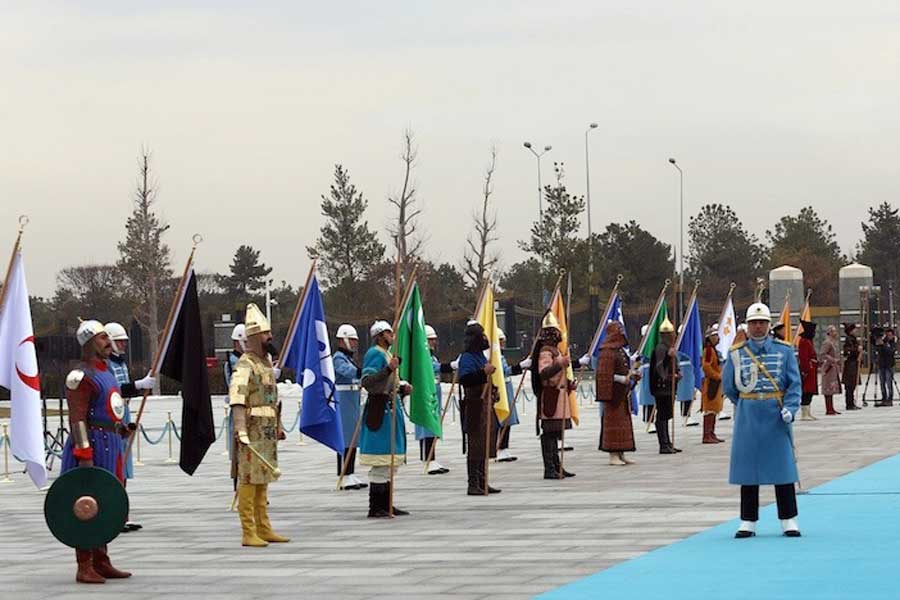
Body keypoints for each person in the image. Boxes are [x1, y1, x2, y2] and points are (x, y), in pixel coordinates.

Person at [60, 320, 154, 583]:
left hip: (111, 443)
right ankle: (84, 564)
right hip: (91, 443)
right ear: (90, 343)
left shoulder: (107, 372)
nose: (107, 342)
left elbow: (108, 409)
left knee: (108, 501)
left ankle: (102, 560)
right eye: (102, 338)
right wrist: (84, 452)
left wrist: (122, 429)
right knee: (87, 502)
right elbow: (77, 419)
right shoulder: (80, 376)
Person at [724, 302, 802, 539]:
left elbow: (793, 383)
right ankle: (748, 520)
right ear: (747, 326)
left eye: (762, 323)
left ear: (769, 325)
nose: (758, 327)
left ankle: (788, 518)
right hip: (748, 416)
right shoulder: (736, 353)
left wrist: (790, 408)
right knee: (748, 469)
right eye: (754, 323)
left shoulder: (785, 350)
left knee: (783, 468)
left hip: (775, 415)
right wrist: (747, 403)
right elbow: (729, 387)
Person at [229, 303, 290, 547]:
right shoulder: (245, 365)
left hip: (266, 429)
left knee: (263, 478)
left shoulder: (265, 364)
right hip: (252, 428)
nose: (270, 337)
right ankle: (248, 530)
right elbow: (237, 398)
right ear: (254, 337)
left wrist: (279, 425)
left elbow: (273, 399)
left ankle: (264, 527)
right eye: (265, 334)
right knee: (249, 479)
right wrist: (240, 429)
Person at [359, 320, 412, 517]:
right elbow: (368, 382)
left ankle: (387, 503)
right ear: (380, 335)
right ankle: (376, 506)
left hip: (391, 409)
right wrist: (389, 369)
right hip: (379, 411)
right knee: (381, 459)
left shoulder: (387, 354)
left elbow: (390, 384)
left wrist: (402, 388)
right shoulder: (375, 354)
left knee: (390, 460)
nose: (392, 336)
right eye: (389, 333)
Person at [103, 322, 144, 533]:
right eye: (119, 341)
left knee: (124, 469)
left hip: (124, 412)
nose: (123, 345)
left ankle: (123, 514)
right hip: (113, 417)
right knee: (116, 467)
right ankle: (114, 514)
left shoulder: (121, 363)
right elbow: (114, 390)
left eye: (124, 341)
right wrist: (137, 385)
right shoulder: (107, 364)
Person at [458, 321, 501, 494]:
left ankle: (483, 480)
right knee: (475, 445)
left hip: (485, 405)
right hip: (474, 404)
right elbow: (466, 379)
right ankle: (473, 483)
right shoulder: (467, 358)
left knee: (484, 444)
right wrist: (484, 372)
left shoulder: (480, 356)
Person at [532, 312, 576, 479]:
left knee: (556, 432)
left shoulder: (555, 350)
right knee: (549, 433)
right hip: (551, 396)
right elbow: (544, 373)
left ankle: (557, 466)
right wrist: (560, 363)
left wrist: (569, 383)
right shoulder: (546, 351)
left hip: (560, 395)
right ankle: (550, 468)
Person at [596, 322, 638, 465]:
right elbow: (604, 375)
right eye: (618, 330)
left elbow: (624, 369)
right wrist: (621, 379)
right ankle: (613, 454)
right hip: (612, 394)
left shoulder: (620, 350)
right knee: (613, 424)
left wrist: (633, 376)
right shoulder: (606, 351)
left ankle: (621, 453)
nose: (621, 333)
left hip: (622, 394)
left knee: (623, 425)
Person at [333, 324, 367, 490]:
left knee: (353, 438)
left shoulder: (349, 358)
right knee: (345, 438)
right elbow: (347, 372)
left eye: (355, 341)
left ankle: (350, 472)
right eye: (352, 340)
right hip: (343, 400)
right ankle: (343, 473)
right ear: (343, 340)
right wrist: (366, 372)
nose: (354, 344)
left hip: (351, 400)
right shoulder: (338, 358)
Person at [417, 324, 453, 474]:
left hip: (433, 393)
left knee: (432, 426)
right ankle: (428, 459)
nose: (434, 343)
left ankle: (431, 458)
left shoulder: (431, 355)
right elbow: (433, 367)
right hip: (426, 394)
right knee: (427, 427)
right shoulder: (422, 355)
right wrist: (450, 365)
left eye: (434, 340)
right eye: (431, 340)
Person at [649, 317, 681, 454]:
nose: (674, 336)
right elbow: (659, 368)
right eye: (672, 334)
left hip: (669, 387)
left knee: (667, 415)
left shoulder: (669, 348)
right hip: (662, 387)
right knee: (662, 416)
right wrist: (670, 376)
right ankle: (663, 444)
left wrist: (677, 374)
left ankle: (668, 442)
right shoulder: (661, 349)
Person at [497, 328, 529, 462]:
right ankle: (499, 448)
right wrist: (520, 366)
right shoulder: (494, 356)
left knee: (508, 420)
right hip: (500, 390)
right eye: (500, 341)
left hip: (507, 388)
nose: (502, 344)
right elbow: (504, 371)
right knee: (502, 420)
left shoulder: (500, 356)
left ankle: (504, 448)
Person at [701, 325, 725, 443]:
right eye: (715, 336)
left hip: (715, 382)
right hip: (711, 382)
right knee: (710, 409)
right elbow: (706, 366)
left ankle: (711, 433)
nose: (717, 338)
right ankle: (706, 435)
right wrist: (716, 376)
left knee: (714, 409)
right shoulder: (709, 350)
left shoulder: (713, 350)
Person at [819, 325, 842, 415]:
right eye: (834, 331)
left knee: (831, 389)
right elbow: (822, 354)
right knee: (828, 389)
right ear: (829, 332)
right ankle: (828, 409)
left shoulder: (833, 342)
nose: (835, 333)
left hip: (833, 368)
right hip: (828, 368)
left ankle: (831, 407)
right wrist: (833, 360)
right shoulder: (827, 343)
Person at [797, 320, 818, 420]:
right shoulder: (804, 341)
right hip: (807, 370)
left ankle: (808, 412)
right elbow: (803, 357)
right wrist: (805, 370)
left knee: (810, 392)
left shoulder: (809, 340)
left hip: (812, 369)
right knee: (806, 391)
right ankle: (804, 414)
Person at [842, 323, 861, 410]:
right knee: (850, 385)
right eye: (854, 329)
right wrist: (857, 350)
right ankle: (849, 404)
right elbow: (847, 351)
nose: (856, 331)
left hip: (854, 364)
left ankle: (851, 402)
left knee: (852, 385)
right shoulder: (849, 340)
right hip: (850, 365)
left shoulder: (853, 339)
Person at [876, 327, 896, 407]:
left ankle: (890, 398)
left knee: (889, 382)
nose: (888, 336)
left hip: (889, 365)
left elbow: (890, 351)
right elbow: (878, 350)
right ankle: (884, 398)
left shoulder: (893, 342)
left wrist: (883, 345)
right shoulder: (883, 342)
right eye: (887, 335)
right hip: (882, 365)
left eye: (890, 335)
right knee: (882, 382)